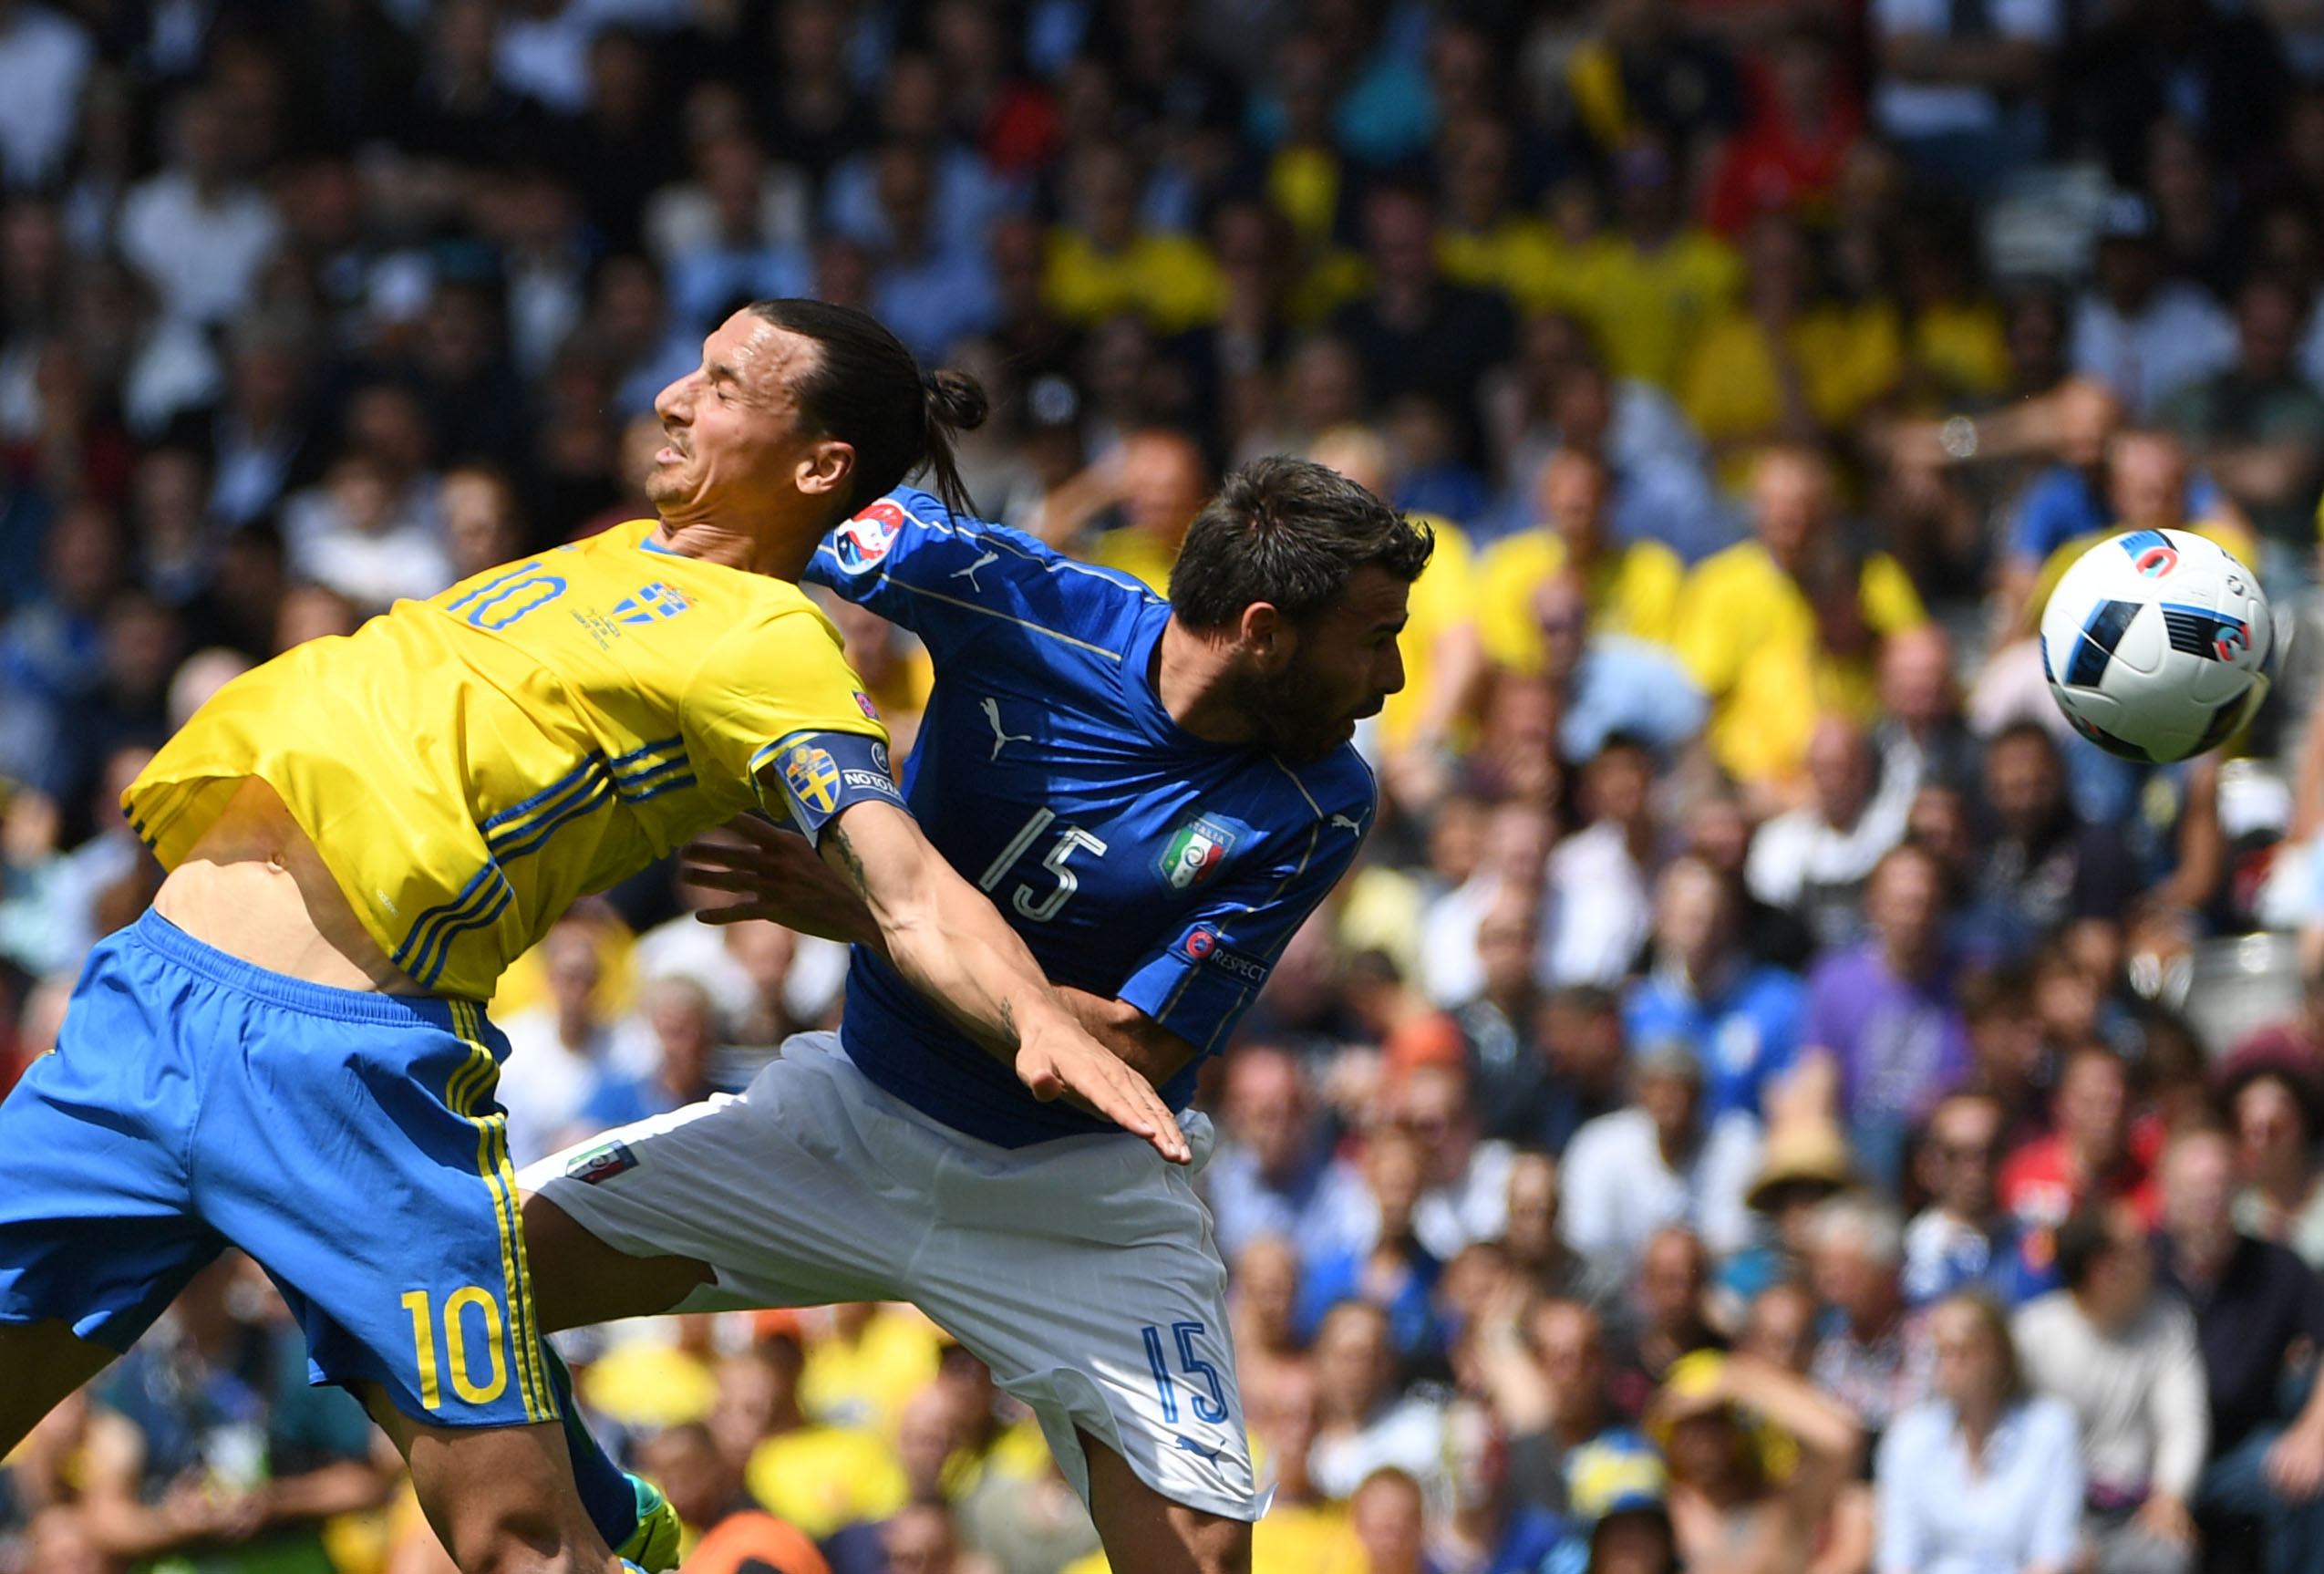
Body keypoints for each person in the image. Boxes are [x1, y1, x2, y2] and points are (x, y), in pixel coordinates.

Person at [0, 300, 1180, 1574]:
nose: (673, 395)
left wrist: (1040, 1013)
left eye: (723, 383)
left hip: (341, 1073)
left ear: (819, 463)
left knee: (523, 1543)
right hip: (144, 1008)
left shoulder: (774, 639)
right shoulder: (618, 551)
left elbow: (907, 886)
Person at [519, 457, 1431, 1574]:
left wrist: (876, 916)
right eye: (1374, 636)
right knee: (463, 1276)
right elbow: (772, 523)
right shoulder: (1020, 597)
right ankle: (614, 1519)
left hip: (1080, 1200)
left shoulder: (1320, 798)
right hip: (848, 1120)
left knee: (1201, 1557)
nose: (1390, 677)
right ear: (1261, 631)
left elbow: (1140, 1046)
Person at [2154, 1128, 2324, 1574]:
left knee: (2309, 1479)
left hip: (2237, 1453)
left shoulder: (2278, 1266)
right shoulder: (2138, 1263)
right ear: (2165, 1191)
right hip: (2145, 1460)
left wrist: (2312, 1433)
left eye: (2220, 1183)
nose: (2209, 1198)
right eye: (2194, 1186)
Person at [2014, 1206, 2208, 1574]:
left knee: (2168, 1559)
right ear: (2102, 1269)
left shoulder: (2168, 1321)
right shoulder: (2033, 1336)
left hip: (2136, 1515)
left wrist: (2173, 1493)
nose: (2153, 1257)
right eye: (2138, 1248)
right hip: (2056, 1513)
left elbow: (2183, 1421)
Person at [1875, 1292, 2083, 1574]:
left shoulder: (2050, 1429)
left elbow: (2053, 1551)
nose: (1949, 1364)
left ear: (1998, 1354)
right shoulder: (1909, 1437)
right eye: (1940, 1351)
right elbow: (1898, 1555)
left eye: (1962, 1350)